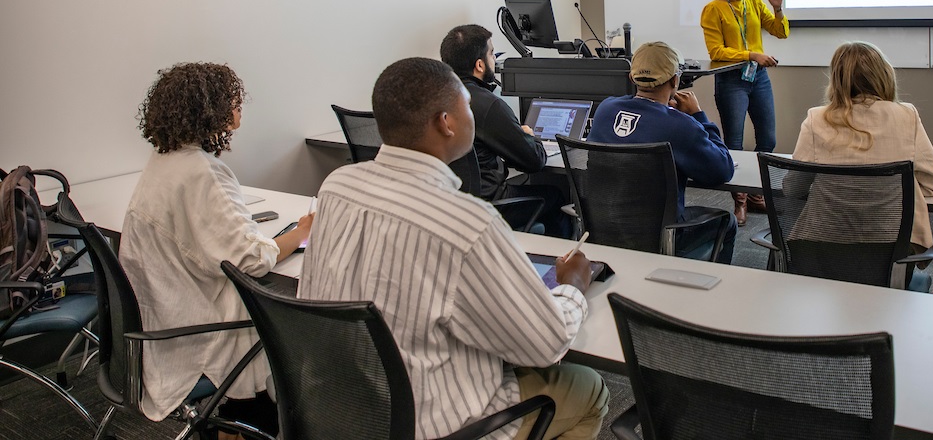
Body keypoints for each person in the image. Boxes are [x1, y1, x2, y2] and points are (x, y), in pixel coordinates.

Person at [299, 58, 608, 440]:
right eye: (467, 106)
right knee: (589, 388)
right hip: (437, 422)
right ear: (446, 122)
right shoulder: (467, 221)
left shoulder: (336, 186)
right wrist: (573, 286)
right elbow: (546, 344)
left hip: (346, 406)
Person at [120, 63, 313, 439]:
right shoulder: (201, 172)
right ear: (212, 108)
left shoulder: (165, 160)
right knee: (288, 303)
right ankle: (250, 424)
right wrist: (301, 232)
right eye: (234, 99)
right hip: (199, 334)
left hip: (167, 320)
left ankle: (231, 429)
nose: (240, 106)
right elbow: (251, 261)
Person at [791, 42, 933, 291]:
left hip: (820, 254)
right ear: (884, 75)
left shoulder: (816, 119)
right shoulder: (906, 115)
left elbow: (792, 189)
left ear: (836, 79)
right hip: (889, 258)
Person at [587, 41, 737, 264]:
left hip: (602, 228)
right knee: (729, 221)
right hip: (662, 236)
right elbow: (722, 170)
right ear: (675, 80)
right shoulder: (680, 125)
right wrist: (698, 116)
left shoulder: (605, 110)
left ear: (632, 77)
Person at [439, 24, 572, 238]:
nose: (495, 59)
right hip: (490, 207)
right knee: (556, 195)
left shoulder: (435, 99)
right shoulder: (487, 104)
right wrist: (529, 137)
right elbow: (534, 161)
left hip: (451, 205)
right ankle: (555, 265)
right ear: (480, 65)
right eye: (492, 53)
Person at [700, 0, 790, 226]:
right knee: (735, 144)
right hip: (731, 79)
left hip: (758, 77)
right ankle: (739, 200)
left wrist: (778, 10)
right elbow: (716, 52)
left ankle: (754, 193)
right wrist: (751, 54)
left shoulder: (754, 4)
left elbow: (780, 32)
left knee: (768, 139)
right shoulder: (713, 9)